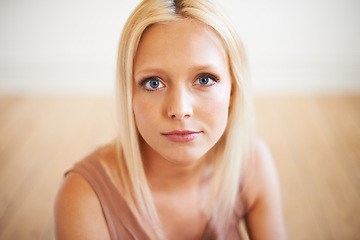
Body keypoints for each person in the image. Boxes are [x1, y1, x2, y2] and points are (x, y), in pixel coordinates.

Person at [54, 0, 286, 239]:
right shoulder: (85, 196)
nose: (179, 109)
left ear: (233, 91)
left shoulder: (250, 163)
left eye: (204, 79)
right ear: (128, 94)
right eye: (153, 83)